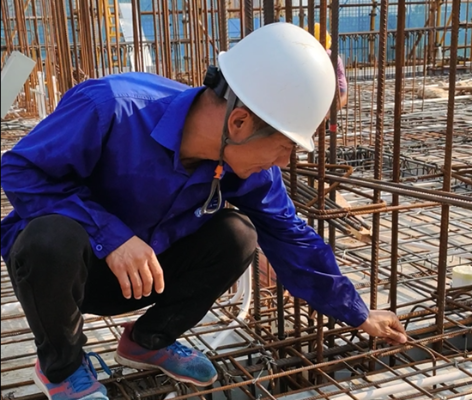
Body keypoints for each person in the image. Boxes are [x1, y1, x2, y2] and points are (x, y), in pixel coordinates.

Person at [1, 22, 407, 400]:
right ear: (239, 122)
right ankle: (63, 368)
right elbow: (19, 170)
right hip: (64, 279)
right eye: (285, 147)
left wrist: (357, 313)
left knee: (239, 234)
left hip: (145, 277)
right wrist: (111, 236)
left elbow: (291, 236)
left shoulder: (243, 165)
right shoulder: (112, 107)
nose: (284, 162)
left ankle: (147, 341)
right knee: (50, 237)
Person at [305, 23, 348, 125]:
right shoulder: (300, 58)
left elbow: (343, 96)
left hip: (324, 110)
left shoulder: (333, 59)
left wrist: (326, 116)